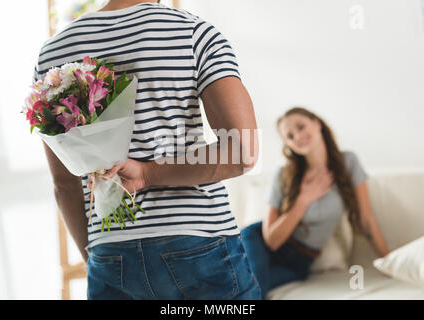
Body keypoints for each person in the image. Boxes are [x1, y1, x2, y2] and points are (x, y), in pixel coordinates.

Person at [36, 0, 261, 299]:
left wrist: (97, 259)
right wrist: (146, 173)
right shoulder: (193, 32)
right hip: (197, 243)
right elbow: (241, 152)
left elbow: (64, 184)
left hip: (110, 252)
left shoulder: (54, 51)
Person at [240, 106, 389, 299]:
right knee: (253, 290)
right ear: (289, 146)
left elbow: (366, 219)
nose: (297, 136)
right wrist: (304, 199)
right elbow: (271, 240)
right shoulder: (284, 175)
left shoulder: (348, 163)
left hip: (300, 263)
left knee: (243, 289)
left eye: (301, 127)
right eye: (290, 137)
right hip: (258, 242)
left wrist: (389, 262)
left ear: (317, 123)